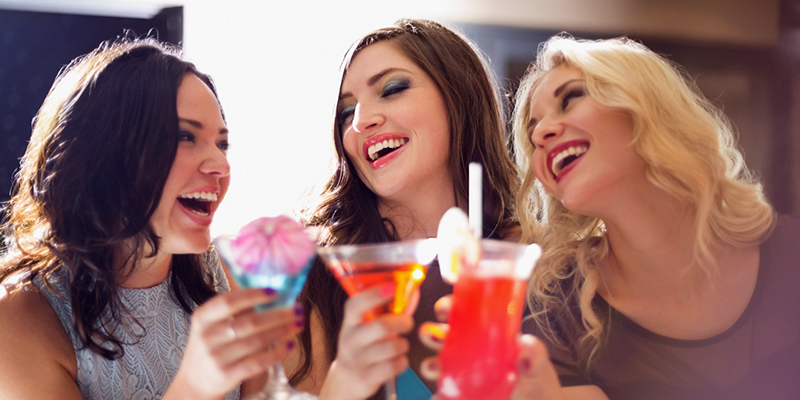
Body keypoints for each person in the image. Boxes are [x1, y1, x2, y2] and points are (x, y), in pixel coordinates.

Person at [454, 34, 793, 400]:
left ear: (649, 109)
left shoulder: (791, 252)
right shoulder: (555, 305)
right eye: (531, 130)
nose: (540, 133)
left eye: (571, 99)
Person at [0, 37, 304, 399]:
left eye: (222, 144)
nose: (221, 165)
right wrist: (194, 386)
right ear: (106, 153)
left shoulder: (230, 276)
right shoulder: (20, 319)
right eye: (184, 136)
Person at [284, 19, 520, 400]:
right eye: (346, 112)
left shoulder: (534, 263)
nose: (360, 122)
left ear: (458, 94)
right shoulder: (314, 276)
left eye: (391, 89)